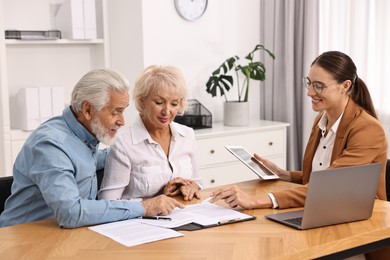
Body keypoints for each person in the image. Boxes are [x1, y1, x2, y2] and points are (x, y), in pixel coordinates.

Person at [0, 68, 184, 228]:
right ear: (88, 110)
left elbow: (102, 158)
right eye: (116, 111)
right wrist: (144, 206)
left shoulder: (83, 138)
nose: (122, 121)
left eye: (123, 110)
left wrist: (150, 151)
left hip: (69, 235)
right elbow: (71, 213)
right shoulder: (51, 144)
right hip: (23, 240)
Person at [210, 51, 387, 209]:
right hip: (325, 207)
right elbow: (321, 175)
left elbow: (329, 184)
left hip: (359, 215)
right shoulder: (321, 120)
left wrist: (257, 200)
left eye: (318, 86)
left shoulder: (367, 129)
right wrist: (282, 174)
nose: (309, 92)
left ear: (345, 86)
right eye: (309, 83)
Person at [98, 65, 203, 202]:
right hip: (141, 221)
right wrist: (155, 201)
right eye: (159, 102)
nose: (167, 111)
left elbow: (198, 183)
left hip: (184, 216)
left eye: (174, 104)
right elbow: (108, 202)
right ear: (142, 101)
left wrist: (193, 187)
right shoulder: (124, 143)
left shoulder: (187, 135)